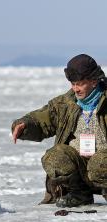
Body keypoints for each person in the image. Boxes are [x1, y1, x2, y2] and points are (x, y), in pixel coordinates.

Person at [12, 54, 107, 208]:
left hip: (103, 165)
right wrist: (25, 125)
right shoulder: (65, 104)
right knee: (54, 156)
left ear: (94, 81)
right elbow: (42, 118)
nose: (75, 89)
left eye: (80, 84)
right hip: (79, 166)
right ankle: (79, 193)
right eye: (73, 84)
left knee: (100, 162)